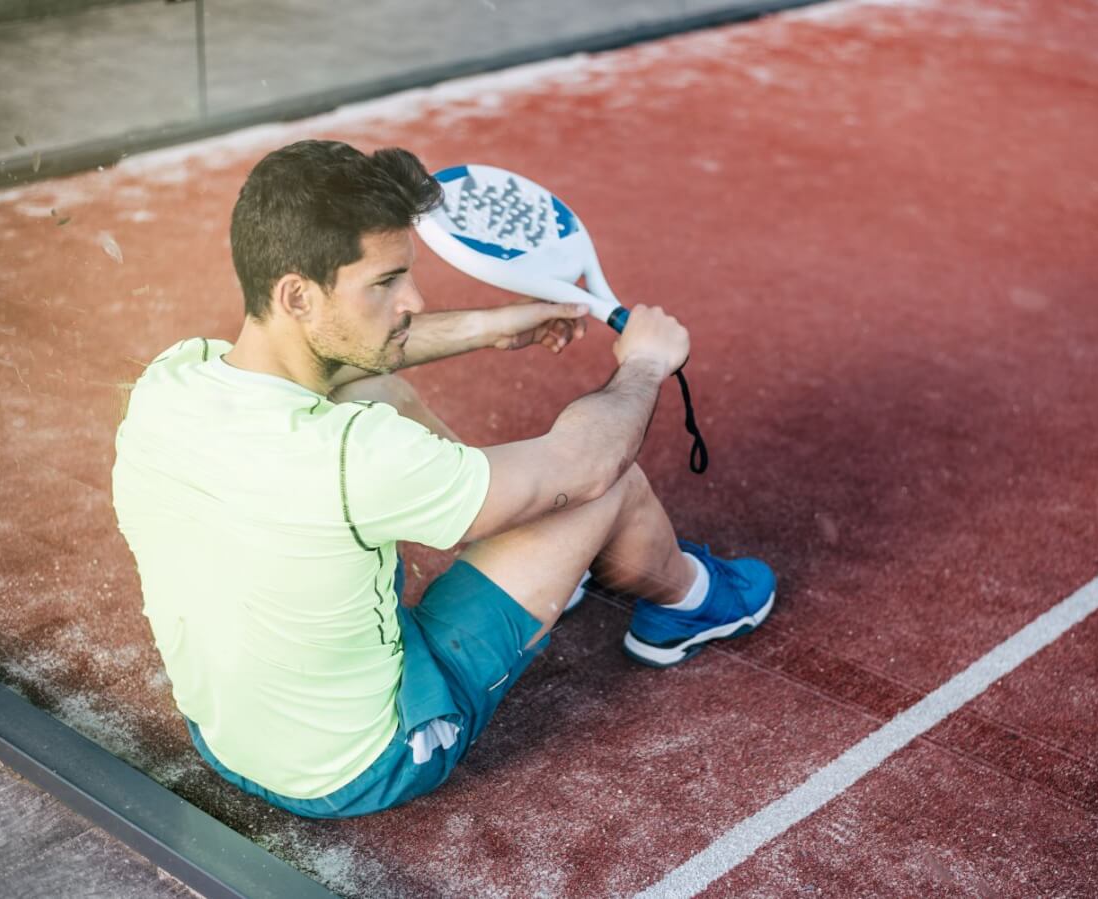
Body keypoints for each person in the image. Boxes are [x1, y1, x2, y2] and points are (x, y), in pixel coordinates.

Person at [111, 140, 775, 819]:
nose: (414, 299)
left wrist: (491, 326)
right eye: (385, 282)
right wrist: (645, 363)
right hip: (364, 763)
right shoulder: (355, 458)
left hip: (228, 736)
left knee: (375, 388)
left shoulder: (174, 377)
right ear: (297, 295)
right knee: (607, 488)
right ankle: (691, 601)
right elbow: (586, 463)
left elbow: (340, 359)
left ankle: (534, 548)